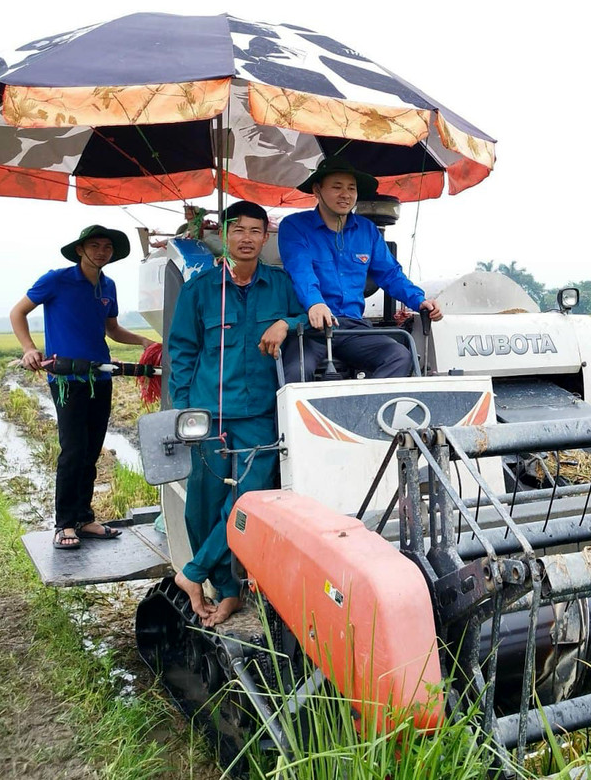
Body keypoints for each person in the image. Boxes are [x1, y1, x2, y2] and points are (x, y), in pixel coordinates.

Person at [166, 200, 304, 626]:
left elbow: (310, 312)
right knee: (201, 507)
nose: (246, 238)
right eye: (237, 229)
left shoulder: (281, 285)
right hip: (208, 413)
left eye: (255, 231)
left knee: (246, 501)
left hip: (260, 413)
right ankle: (227, 590)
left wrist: (288, 323)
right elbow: (182, 352)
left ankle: (192, 572)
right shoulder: (201, 289)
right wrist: (185, 410)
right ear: (224, 235)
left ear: (266, 238)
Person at [11, 225, 154, 551]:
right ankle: (64, 523)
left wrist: (144, 340)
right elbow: (18, 312)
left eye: (107, 247)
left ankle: (85, 518)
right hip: (67, 381)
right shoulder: (56, 279)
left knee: (91, 451)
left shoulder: (108, 286)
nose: (102, 251)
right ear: (80, 249)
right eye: (95, 245)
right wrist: (29, 348)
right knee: (73, 451)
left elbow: (113, 329)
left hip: (100, 378)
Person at [278, 155, 442, 380]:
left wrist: (419, 300)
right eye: (337, 187)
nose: (345, 194)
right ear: (317, 189)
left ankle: (369, 413)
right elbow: (300, 270)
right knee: (295, 372)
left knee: (400, 356)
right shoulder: (294, 226)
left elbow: (390, 274)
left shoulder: (368, 230)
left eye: (351, 188)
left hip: (354, 328)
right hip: (309, 328)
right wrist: (315, 304)